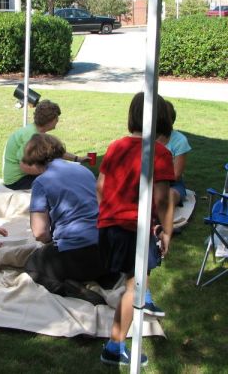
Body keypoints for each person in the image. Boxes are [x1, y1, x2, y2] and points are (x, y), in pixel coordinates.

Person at [97, 92, 174, 367]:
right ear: (162, 118)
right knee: (134, 289)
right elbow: (163, 199)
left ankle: (119, 338)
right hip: (135, 231)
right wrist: (166, 231)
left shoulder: (116, 146)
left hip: (110, 226)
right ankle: (114, 347)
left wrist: (107, 212)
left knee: (133, 280)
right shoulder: (160, 153)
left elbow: (101, 186)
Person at [22, 134, 109, 305]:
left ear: (35, 160)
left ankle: (68, 289)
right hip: (107, 249)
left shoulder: (42, 182)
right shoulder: (84, 170)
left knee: (32, 265)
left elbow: (39, 232)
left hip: (76, 253)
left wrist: (50, 241)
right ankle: (103, 278)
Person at [2, 100, 89, 190]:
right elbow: (25, 166)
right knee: (61, 180)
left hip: (26, 175)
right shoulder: (30, 136)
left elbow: (56, 152)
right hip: (17, 181)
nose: (58, 120)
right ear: (50, 120)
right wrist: (50, 171)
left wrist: (77, 159)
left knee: (61, 174)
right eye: (56, 118)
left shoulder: (37, 132)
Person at [158, 101, 192, 207]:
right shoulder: (145, 137)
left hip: (172, 185)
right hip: (146, 182)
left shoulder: (180, 140)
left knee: (168, 197)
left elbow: (176, 175)